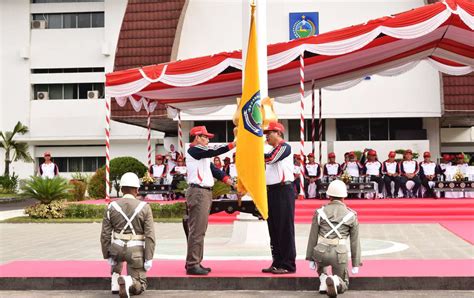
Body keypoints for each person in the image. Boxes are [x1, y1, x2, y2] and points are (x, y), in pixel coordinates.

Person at [185, 125, 235, 275]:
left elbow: (215, 171)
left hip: (203, 192)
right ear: (197, 137)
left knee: (200, 229)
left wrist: (231, 182)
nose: (207, 139)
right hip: (199, 192)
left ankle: (195, 262)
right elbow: (215, 151)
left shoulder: (202, 155)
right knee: (197, 230)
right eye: (205, 137)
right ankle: (193, 264)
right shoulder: (194, 150)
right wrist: (233, 144)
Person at [100, 172, 155, 298]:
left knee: (117, 258)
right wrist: (149, 258)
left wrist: (106, 254)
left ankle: (115, 280)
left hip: (116, 250)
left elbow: (105, 235)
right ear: (136, 189)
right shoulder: (145, 207)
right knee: (141, 284)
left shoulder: (111, 207)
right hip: (135, 252)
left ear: (121, 189)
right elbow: (150, 236)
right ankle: (129, 282)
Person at [306, 180, 361, 297]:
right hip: (339, 254)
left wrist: (310, 258)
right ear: (344, 197)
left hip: (321, 252)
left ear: (329, 195)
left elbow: (313, 237)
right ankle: (336, 281)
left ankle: (323, 279)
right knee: (344, 283)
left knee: (320, 262)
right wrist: (356, 264)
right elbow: (355, 242)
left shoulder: (319, 212)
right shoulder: (351, 215)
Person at [262, 121, 296, 274]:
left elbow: (270, 159)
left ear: (279, 133)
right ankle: (277, 261)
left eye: (269, 133)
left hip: (283, 190)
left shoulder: (284, 147)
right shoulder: (273, 149)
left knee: (284, 228)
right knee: (274, 229)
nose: (267, 136)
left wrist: (255, 151)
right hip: (272, 191)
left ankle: (288, 264)